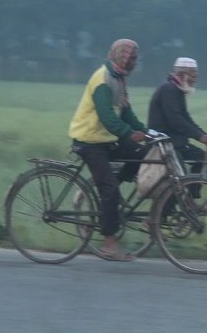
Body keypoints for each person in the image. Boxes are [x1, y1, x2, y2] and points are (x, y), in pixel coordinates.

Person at [69, 38, 148, 262]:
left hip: (107, 139)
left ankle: (110, 197)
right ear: (122, 57)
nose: (136, 61)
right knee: (110, 189)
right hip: (89, 141)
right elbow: (107, 117)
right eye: (133, 57)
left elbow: (126, 114)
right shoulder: (102, 80)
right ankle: (109, 243)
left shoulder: (119, 78)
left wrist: (146, 131)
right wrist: (129, 133)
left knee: (142, 155)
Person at [147, 57, 207, 185]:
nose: (195, 79)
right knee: (179, 180)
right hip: (165, 143)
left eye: (196, 75)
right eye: (193, 75)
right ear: (181, 74)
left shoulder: (178, 90)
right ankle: (184, 200)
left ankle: (191, 198)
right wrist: (200, 137)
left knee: (200, 157)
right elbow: (176, 120)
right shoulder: (168, 90)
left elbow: (185, 117)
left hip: (175, 142)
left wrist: (203, 135)